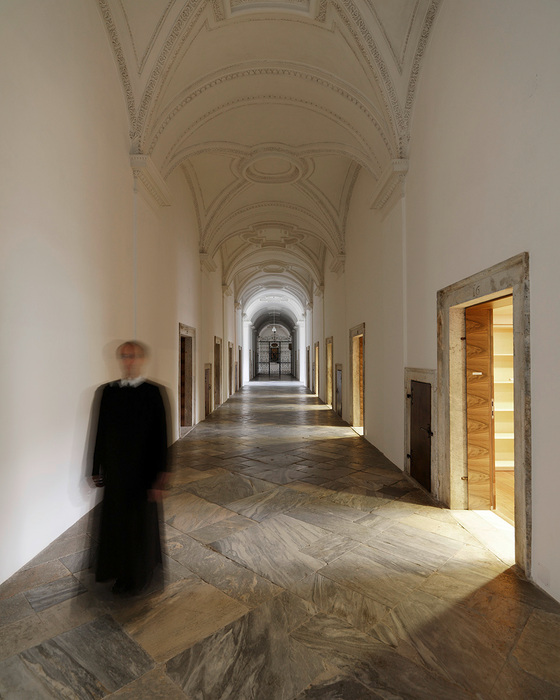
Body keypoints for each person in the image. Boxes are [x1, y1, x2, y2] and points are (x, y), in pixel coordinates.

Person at [91, 341, 169, 595]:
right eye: (124, 356)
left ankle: (139, 574)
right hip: (116, 472)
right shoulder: (108, 392)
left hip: (143, 474)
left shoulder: (153, 392)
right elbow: (100, 431)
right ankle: (120, 571)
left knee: (139, 525)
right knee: (117, 524)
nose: (128, 361)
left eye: (132, 356)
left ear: (142, 359)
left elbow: (161, 436)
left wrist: (161, 475)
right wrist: (95, 466)